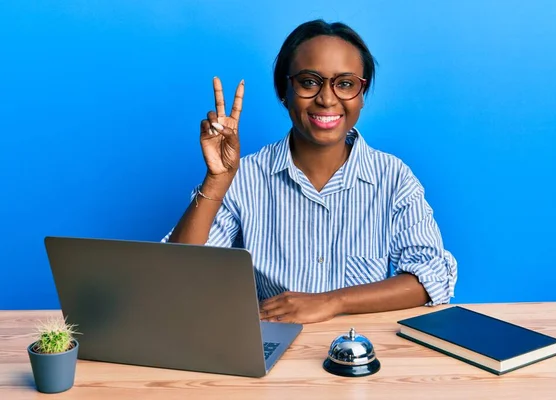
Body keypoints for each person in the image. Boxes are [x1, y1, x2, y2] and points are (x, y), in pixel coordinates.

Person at [162, 19, 457, 324]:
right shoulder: (246, 176)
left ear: (361, 95)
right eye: (309, 82)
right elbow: (179, 276)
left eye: (345, 83)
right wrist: (217, 180)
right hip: (272, 346)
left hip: (363, 353)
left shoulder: (393, 178)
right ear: (284, 91)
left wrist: (333, 302)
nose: (327, 99)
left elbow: (431, 277)